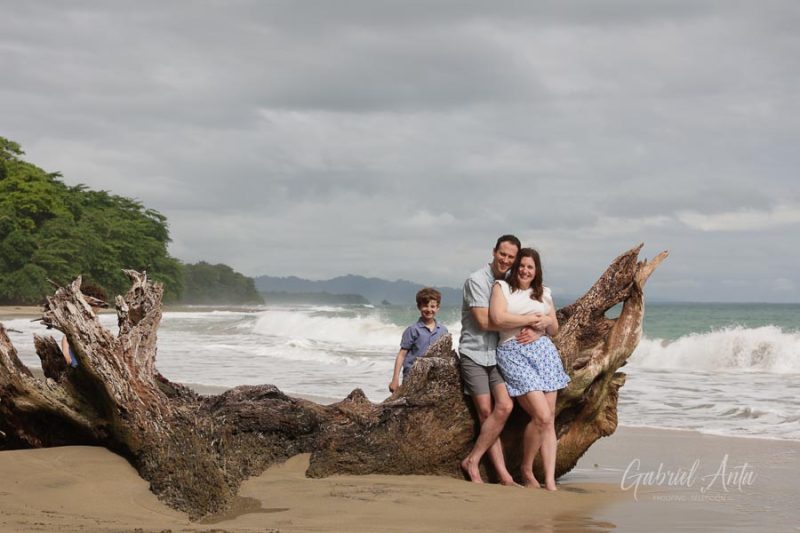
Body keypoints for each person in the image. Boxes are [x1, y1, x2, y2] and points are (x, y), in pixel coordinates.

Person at [459, 235, 542, 485]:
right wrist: (529, 320)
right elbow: (486, 322)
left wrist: (541, 326)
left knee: (504, 407)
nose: (505, 260)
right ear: (494, 251)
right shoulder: (476, 280)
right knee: (485, 411)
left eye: (511, 257)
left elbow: (524, 309)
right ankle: (497, 472)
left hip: (496, 354)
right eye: (502, 254)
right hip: (473, 353)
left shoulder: (508, 282)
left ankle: (475, 460)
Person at [490, 248, 570, 490]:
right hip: (513, 352)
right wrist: (529, 321)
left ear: (537, 271)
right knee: (542, 415)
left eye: (530, 267)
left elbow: (554, 327)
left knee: (549, 419)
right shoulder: (502, 288)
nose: (525, 270)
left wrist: (544, 323)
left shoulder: (544, 294)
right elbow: (497, 318)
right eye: (522, 265)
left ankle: (548, 480)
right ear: (516, 267)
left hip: (544, 353)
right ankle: (526, 469)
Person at [389, 288, 448, 393]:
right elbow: (402, 354)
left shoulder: (443, 330)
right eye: (425, 306)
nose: (429, 309)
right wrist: (395, 379)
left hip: (434, 377)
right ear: (419, 307)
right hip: (412, 376)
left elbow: (445, 356)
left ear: (438, 308)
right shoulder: (412, 330)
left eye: (433, 306)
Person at [60, 282, 109, 368]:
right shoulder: (80, 322)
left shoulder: (94, 323)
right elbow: (66, 342)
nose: (98, 308)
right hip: (80, 366)